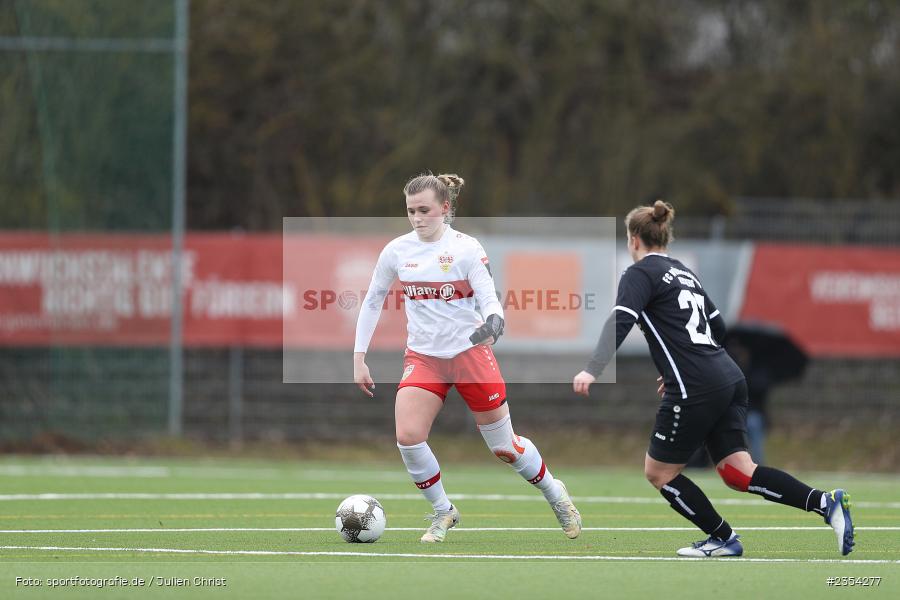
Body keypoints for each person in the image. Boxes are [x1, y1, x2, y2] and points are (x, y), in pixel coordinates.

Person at [572, 200, 854, 557]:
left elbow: (621, 318)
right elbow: (718, 326)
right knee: (739, 472)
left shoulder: (639, 273)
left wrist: (593, 368)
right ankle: (826, 503)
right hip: (728, 376)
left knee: (659, 472)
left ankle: (723, 538)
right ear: (665, 236)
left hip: (697, 385)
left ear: (633, 239)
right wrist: (692, 365)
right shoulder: (684, 273)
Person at [354, 172, 581, 543]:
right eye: (411, 211)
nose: (417, 218)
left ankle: (555, 493)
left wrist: (494, 321)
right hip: (424, 358)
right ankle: (443, 511)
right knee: (408, 436)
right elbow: (373, 300)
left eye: (424, 210)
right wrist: (359, 356)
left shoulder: (466, 248)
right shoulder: (396, 250)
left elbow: (489, 298)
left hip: (470, 355)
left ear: (445, 208)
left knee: (504, 448)